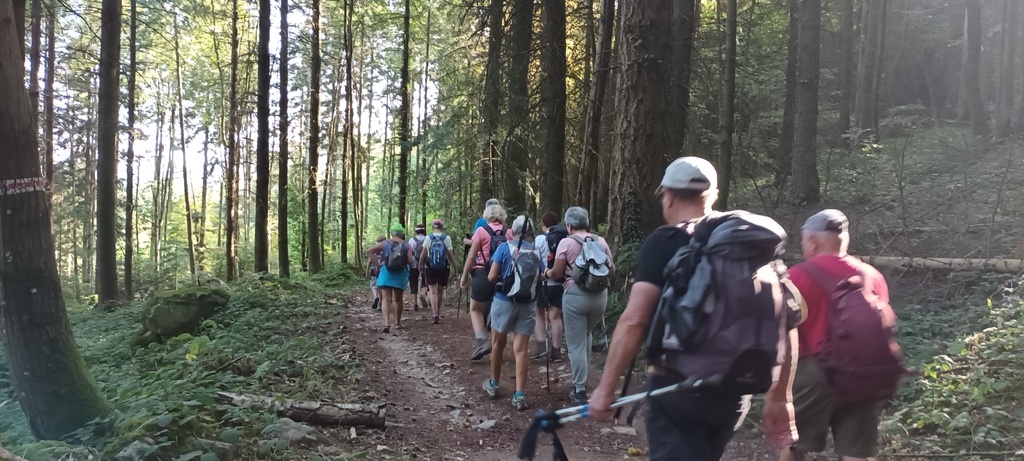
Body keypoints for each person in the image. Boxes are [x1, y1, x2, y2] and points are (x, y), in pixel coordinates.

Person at [588, 157, 798, 461]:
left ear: (668, 196)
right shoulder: (748, 246)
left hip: (676, 389)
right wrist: (781, 398)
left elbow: (635, 319)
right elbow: (786, 321)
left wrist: (606, 389)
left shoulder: (665, 240)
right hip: (734, 391)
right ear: (712, 196)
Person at [781, 209, 889, 461]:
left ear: (812, 241)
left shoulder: (796, 276)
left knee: (793, 443)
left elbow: (782, 330)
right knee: (855, 451)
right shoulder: (872, 276)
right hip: (862, 373)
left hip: (812, 372)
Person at [544, 206, 614, 404]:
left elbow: (557, 273)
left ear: (569, 225)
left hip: (575, 296)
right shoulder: (600, 241)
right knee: (586, 334)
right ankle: (583, 380)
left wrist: (546, 273)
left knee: (575, 344)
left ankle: (580, 389)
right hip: (600, 297)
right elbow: (611, 268)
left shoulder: (566, 243)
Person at [483, 215, 544, 410]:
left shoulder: (504, 247)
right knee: (522, 349)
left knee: (497, 343)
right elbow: (541, 276)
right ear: (531, 232)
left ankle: (494, 384)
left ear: (513, 231)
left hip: (504, 301)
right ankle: (519, 395)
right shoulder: (536, 251)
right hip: (528, 303)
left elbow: (492, 276)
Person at [460, 203, 514, 360]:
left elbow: (472, 257)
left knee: (475, 308)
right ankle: (497, 345)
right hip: (503, 276)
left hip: (483, 273)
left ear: (487, 216)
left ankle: (482, 339)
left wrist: (464, 277)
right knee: (500, 309)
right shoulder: (509, 232)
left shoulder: (481, 231)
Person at [367, 224, 415, 333]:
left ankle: (386, 323)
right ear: (402, 233)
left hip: (386, 272)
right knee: (398, 299)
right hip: (400, 274)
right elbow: (410, 261)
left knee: (385, 299)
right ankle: (397, 323)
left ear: (392, 233)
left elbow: (369, 251)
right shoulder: (407, 245)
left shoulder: (384, 243)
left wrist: (377, 264)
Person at [532, 211, 566, 362]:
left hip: (543, 281)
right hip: (560, 283)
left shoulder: (540, 239)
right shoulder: (565, 238)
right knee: (555, 316)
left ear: (543, 224)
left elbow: (534, 258)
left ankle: (541, 344)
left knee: (539, 311)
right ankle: (556, 351)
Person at [419, 219, 456, 324]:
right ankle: (438, 313)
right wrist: (455, 268)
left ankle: (434, 314)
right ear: (442, 227)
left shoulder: (428, 238)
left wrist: (420, 264)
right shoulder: (446, 238)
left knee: (433, 291)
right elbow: (451, 255)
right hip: (443, 267)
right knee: (440, 291)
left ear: (433, 227)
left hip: (430, 266)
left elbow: (423, 253)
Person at [409, 224, 428, 312]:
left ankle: (415, 302)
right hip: (425, 263)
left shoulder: (412, 240)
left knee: (413, 281)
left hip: (414, 263)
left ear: (416, 231)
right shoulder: (427, 239)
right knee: (426, 281)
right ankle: (423, 294)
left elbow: (409, 252)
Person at [368, 234, 387, 310]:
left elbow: (370, 261)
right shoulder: (386, 248)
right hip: (383, 270)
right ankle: (380, 303)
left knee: (373, 285)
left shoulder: (374, 249)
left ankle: (376, 297)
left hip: (374, 269)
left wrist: (367, 271)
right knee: (381, 287)